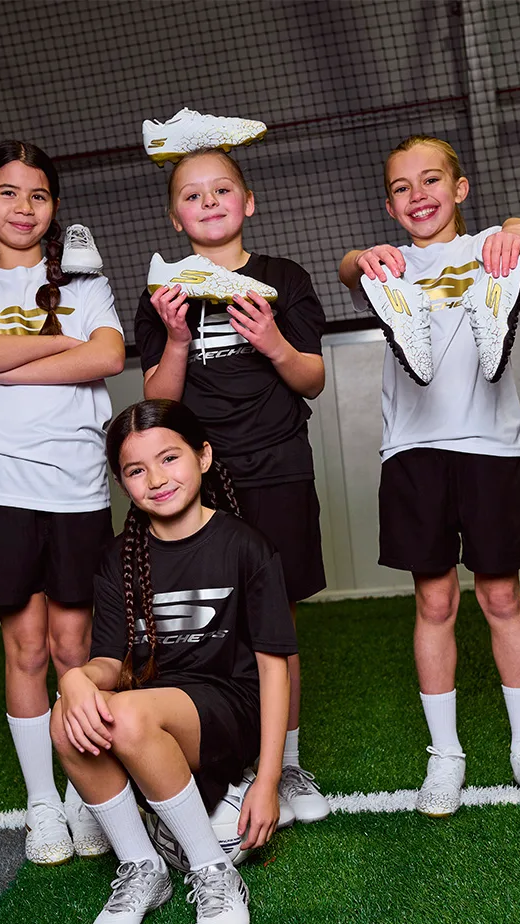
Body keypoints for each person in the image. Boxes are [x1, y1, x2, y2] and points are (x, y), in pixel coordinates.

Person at [338, 134, 520, 817]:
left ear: (460, 189)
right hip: (412, 447)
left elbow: (518, 229)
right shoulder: (389, 261)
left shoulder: (488, 246)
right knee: (434, 602)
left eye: (431, 180)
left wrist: (516, 231)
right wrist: (363, 259)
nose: (418, 195)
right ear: (389, 206)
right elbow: (347, 268)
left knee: (501, 597)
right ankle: (446, 755)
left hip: (490, 445)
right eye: (402, 188)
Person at [0, 140, 126, 865]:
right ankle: (43, 804)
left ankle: (85, 796)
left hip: (76, 485)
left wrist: (6, 360)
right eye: (7, 193)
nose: (24, 208)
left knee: (76, 648)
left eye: (38, 195)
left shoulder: (86, 282)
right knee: (26, 646)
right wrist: (58, 346)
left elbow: (108, 356)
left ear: (55, 206)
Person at [51, 399, 295, 924]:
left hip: (229, 711)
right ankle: (143, 867)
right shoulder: (118, 558)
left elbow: (273, 670)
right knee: (65, 718)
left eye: (169, 458)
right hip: (149, 715)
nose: (157, 480)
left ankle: (212, 871)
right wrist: (74, 680)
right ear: (122, 483)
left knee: (126, 715)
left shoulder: (245, 545)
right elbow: (108, 662)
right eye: (137, 470)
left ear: (203, 457)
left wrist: (269, 780)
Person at [134, 146, 330, 825]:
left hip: (278, 467)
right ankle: (230, 762)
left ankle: (287, 764)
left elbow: (312, 379)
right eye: (192, 195)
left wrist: (272, 340)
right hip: (199, 480)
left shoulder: (284, 277)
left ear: (248, 202)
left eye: (222, 190)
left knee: (277, 621)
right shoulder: (162, 293)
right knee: (212, 621)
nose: (209, 202)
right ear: (175, 217)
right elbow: (158, 401)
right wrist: (176, 338)